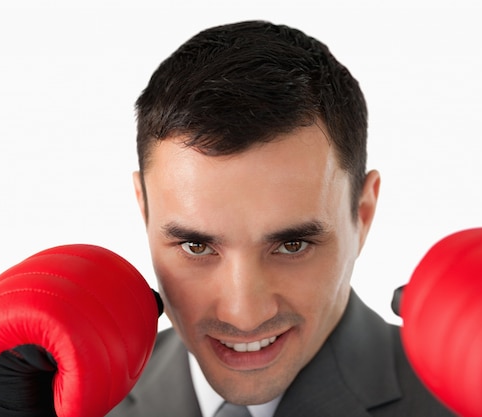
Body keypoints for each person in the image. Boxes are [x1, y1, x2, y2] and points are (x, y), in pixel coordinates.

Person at [108, 20, 455, 416]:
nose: (244, 314)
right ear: (144, 208)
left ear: (362, 215)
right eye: (197, 246)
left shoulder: (471, 407)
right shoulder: (79, 407)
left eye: (292, 245)